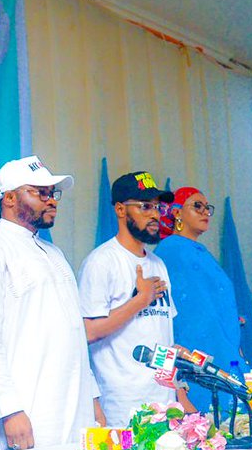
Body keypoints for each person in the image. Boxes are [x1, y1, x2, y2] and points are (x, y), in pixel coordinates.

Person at [0, 156, 101, 450]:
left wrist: (93, 400)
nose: (52, 201)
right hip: (26, 414)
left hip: (74, 411)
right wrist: (9, 410)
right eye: (40, 192)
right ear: (9, 198)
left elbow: (74, 334)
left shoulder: (54, 254)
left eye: (53, 193)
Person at [79, 170, 189, 426]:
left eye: (158, 207)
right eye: (145, 206)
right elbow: (89, 332)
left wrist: (178, 393)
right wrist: (140, 301)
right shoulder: (101, 262)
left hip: (164, 402)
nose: (154, 214)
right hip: (122, 406)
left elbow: (162, 340)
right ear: (120, 209)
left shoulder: (158, 264)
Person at [156, 186, 245, 411]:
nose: (205, 212)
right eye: (197, 206)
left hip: (223, 346)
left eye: (207, 208)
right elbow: (187, 307)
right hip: (196, 348)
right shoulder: (169, 250)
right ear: (176, 212)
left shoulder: (200, 251)